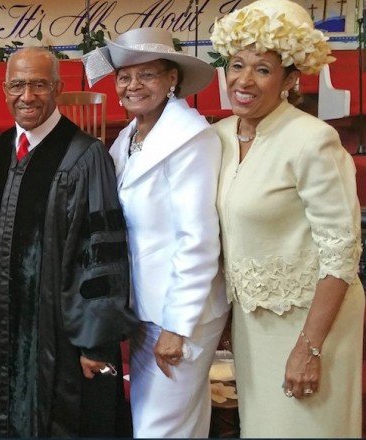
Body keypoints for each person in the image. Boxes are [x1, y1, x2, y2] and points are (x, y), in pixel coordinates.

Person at [209, 0, 364, 436]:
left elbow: (341, 253)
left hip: (313, 323)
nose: (244, 80)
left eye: (262, 69)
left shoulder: (312, 140)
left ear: (290, 79)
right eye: (237, 65)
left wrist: (309, 348)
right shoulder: (217, 137)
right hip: (252, 324)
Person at [0, 46, 137, 438]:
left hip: (59, 338)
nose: (28, 96)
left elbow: (101, 254)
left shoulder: (85, 157)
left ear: (58, 88)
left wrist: (95, 341)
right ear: (4, 89)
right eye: (18, 85)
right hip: (1, 333)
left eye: (40, 85)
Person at [82, 28, 230, 437]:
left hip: (178, 311)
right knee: (176, 422)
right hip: (146, 306)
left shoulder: (189, 138)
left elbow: (197, 239)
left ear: (172, 80)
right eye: (125, 77)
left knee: (159, 428)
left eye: (147, 75)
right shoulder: (129, 135)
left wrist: (177, 326)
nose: (133, 85)